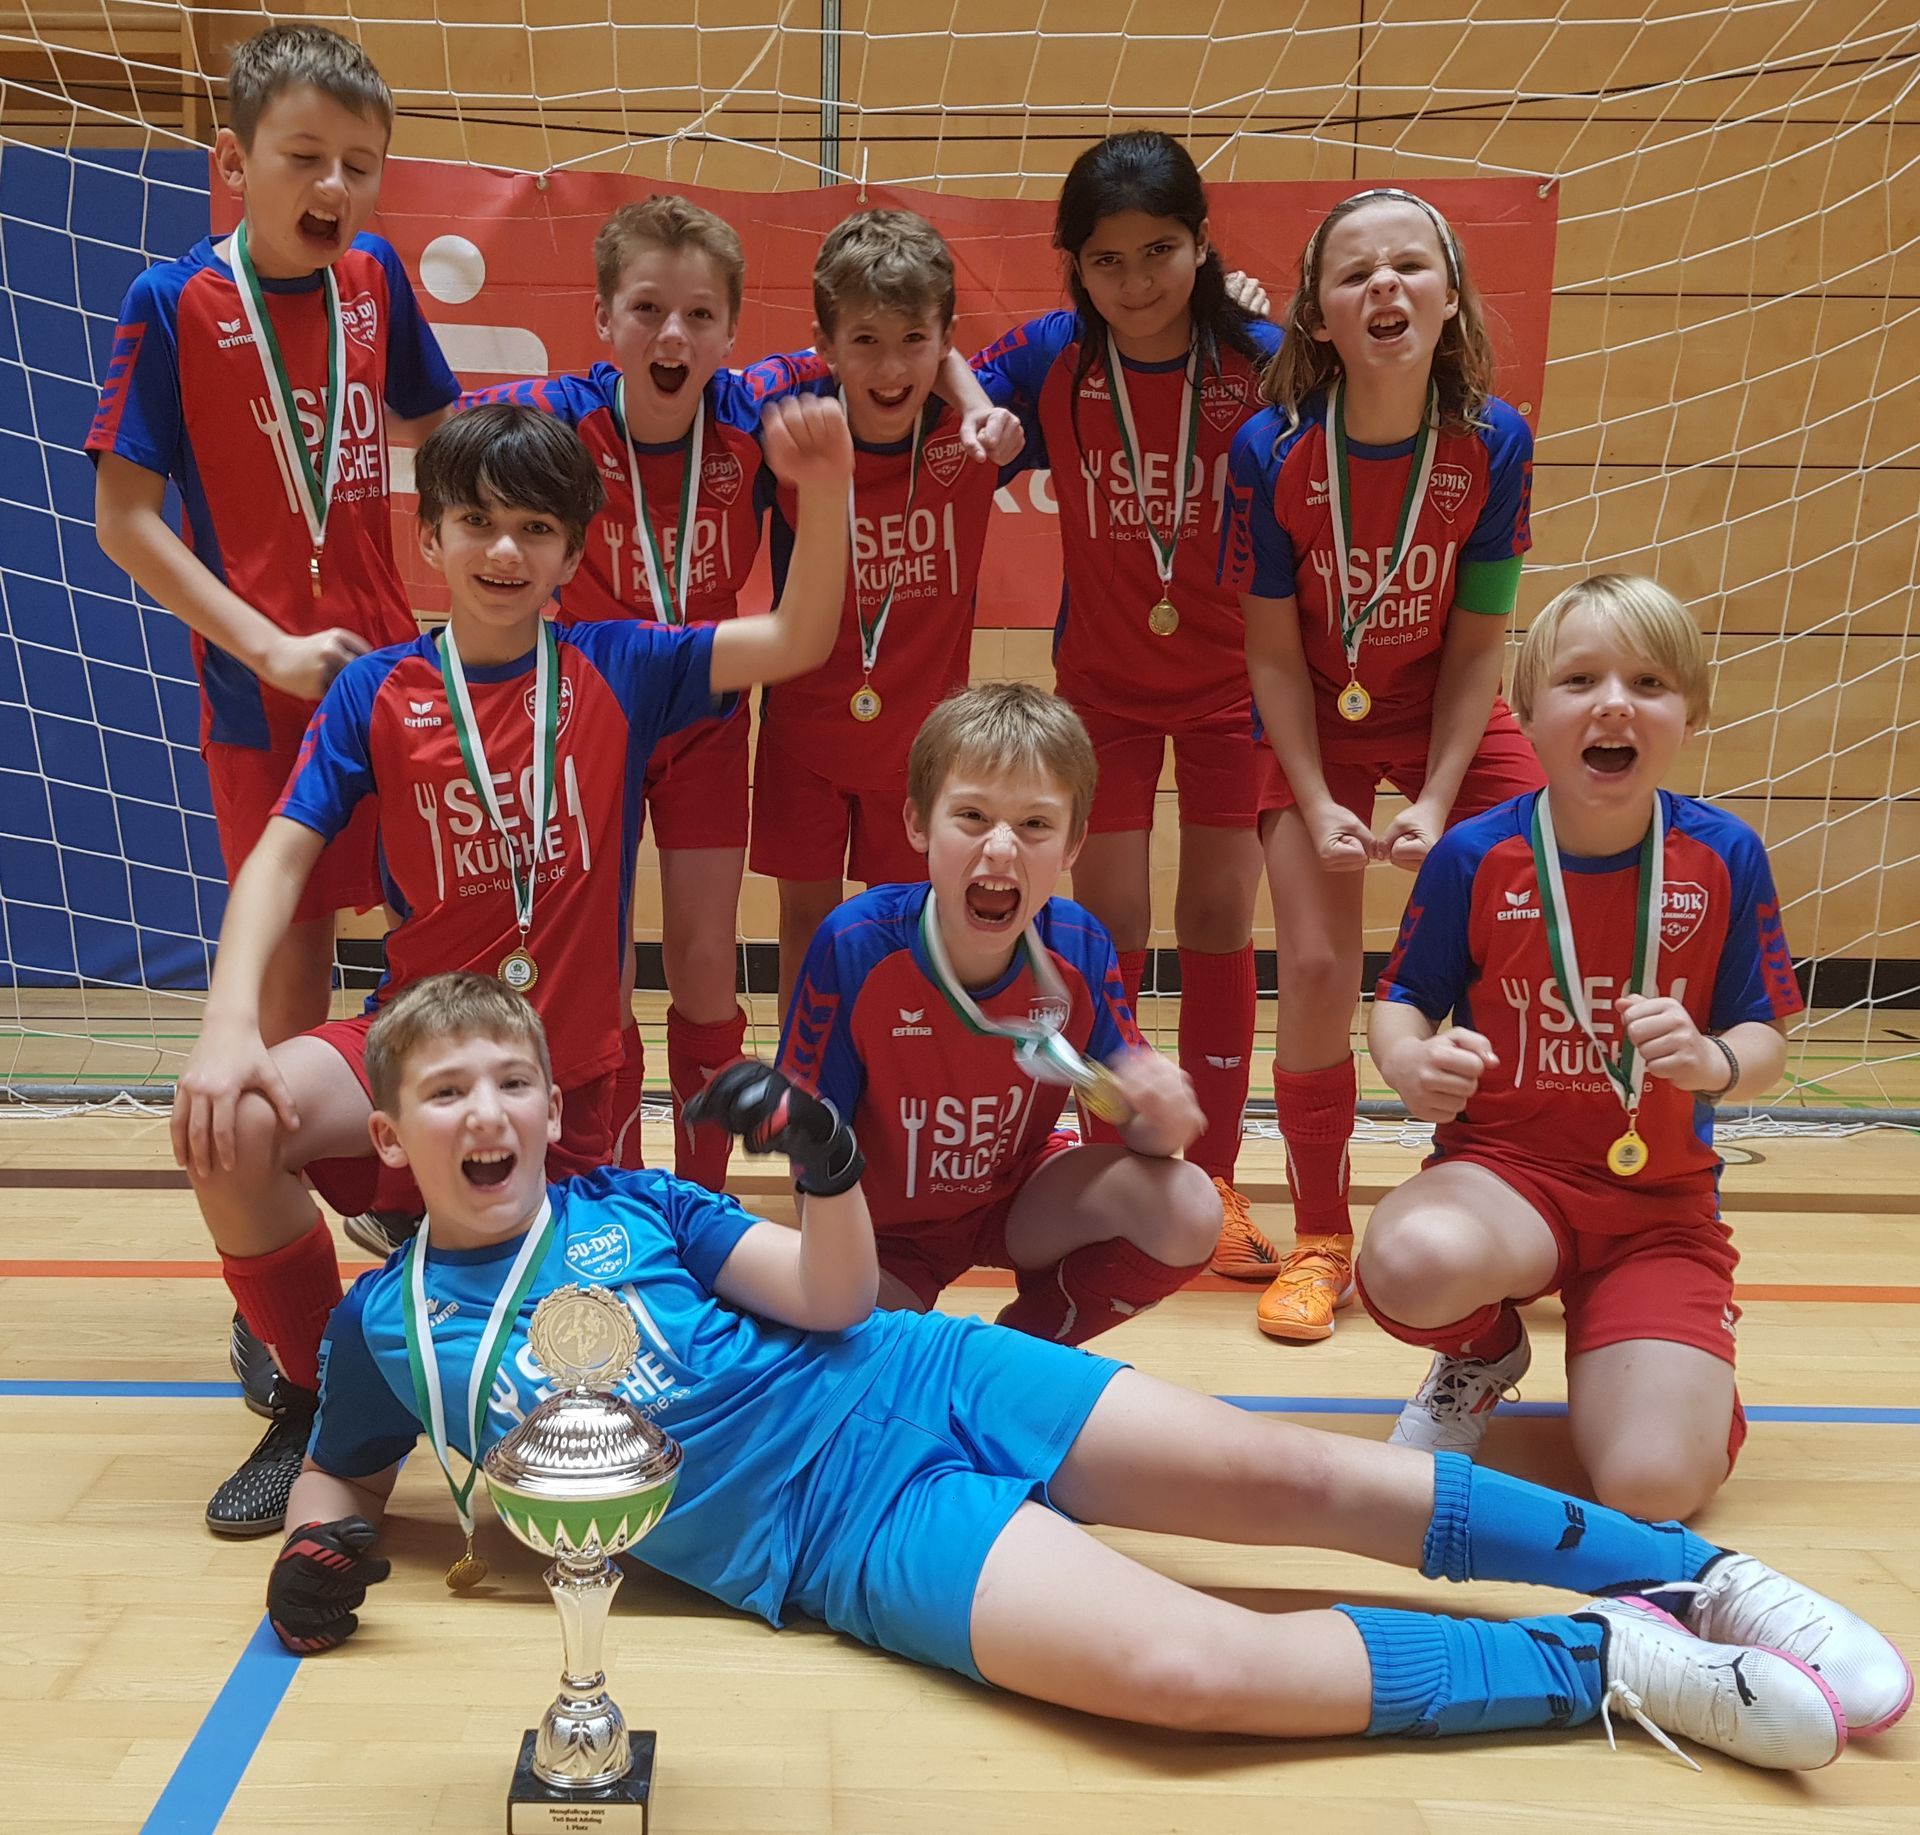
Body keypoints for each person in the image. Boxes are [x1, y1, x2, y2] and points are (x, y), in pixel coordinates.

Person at [265, 970, 1910, 1766]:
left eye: (510, 1082)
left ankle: (1702, 1578)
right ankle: (1610, 1661)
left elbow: (828, 1298)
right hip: (838, 1538)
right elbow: (344, 1462)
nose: (484, 1113)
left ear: (554, 1107)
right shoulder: (383, 1326)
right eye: (445, 1094)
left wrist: (826, 1168)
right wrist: (322, 1547)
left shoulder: (637, 1204)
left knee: (1298, 1472)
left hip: (915, 1377)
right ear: (392, 1136)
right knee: (1188, 1673)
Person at [169, 398, 852, 1535]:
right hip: (414, 1051)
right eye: (476, 521)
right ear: (428, 536)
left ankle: (430, 1257)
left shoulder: (623, 664)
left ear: (572, 555)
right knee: (229, 1121)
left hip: (565, 1082)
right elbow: (280, 857)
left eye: (535, 528)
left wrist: (822, 496)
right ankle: (310, 1390)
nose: (503, 548)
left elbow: (796, 638)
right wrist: (227, 1023)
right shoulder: (377, 690)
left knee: (598, 1367)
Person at [85, 20, 460, 1398]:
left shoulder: (375, 279)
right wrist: (265, 642)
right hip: (262, 692)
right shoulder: (173, 301)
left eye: (361, 162)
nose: (336, 186)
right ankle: (277, 1301)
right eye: (306, 157)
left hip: (393, 679)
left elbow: (442, 431)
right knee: (291, 978)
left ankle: (423, 1213)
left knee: (437, 942)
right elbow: (126, 517)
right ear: (235, 162)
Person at [1357, 575, 1807, 1523]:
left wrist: (1714, 1060)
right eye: (1579, 679)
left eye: (1649, 682)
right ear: (1526, 713)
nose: (1614, 703)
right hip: (1506, 1179)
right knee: (1410, 1259)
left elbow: (1766, 1035)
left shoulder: (1725, 854)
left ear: (1690, 711)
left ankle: (1665, 1361)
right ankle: (1483, 1351)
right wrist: (1406, 1062)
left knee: (1653, 1488)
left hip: (1656, 1210)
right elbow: (1400, 1001)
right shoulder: (1476, 854)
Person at [1224, 187, 1544, 1342]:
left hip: (1441, 712)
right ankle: (1321, 1236)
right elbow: (1270, 654)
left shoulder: (1492, 441)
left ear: (1451, 298)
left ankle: (1522, 1195)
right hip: (1311, 716)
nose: (1385, 286)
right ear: (1318, 316)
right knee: (1315, 964)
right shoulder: (1271, 450)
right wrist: (1315, 801)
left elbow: (1479, 645)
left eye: (1410, 265)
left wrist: (1444, 798)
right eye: (1355, 274)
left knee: (1544, 906)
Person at [970, 130, 1285, 1284]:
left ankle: (1218, 1176)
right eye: (1107, 259)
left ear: (1201, 244)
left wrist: (1281, 316)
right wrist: (986, 418)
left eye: (1161, 250)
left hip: (1237, 684)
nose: (1138, 280)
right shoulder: (1055, 355)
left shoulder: (1260, 358)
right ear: (1075, 266)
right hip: (1103, 683)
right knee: (1107, 925)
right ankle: (1112, 1160)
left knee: (1218, 918)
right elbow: (952, 368)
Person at [459, 196, 793, 1193]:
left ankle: (702, 1193)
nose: (671, 335)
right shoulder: (556, 418)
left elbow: (849, 365)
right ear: (603, 318)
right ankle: (619, 1187)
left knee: (703, 956)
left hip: (704, 720)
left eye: (699, 314)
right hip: (582, 725)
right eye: (646, 308)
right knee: (597, 974)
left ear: (731, 333)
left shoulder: (752, 419)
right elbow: (437, 421)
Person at [776, 682, 1220, 1342]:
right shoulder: (855, 945)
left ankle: (1026, 1347)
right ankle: (922, 1353)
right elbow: (810, 1165)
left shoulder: (1080, 946)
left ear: (1072, 845)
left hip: (1018, 1200)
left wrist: (1162, 1115)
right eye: (973, 816)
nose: (1002, 848)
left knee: (1190, 1207)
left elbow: (1139, 1135)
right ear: (918, 823)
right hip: (883, 1231)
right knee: (875, 1365)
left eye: (1036, 824)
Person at [746, 208, 1018, 1022]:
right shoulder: (789, 425)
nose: (892, 365)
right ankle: (805, 1078)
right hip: (804, 729)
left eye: (912, 340)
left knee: (908, 927)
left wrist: (966, 389)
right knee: (807, 924)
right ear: (825, 347)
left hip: (921, 744)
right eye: (864, 340)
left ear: (945, 341)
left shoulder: (979, 434)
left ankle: (900, 1071)